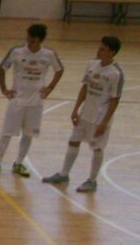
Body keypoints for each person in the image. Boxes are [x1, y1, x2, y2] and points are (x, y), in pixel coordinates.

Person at [45, 36, 125, 193]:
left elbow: (115, 100)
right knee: (73, 141)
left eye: (103, 49)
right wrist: (75, 109)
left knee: (96, 148)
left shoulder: (116, 73)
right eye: (99, 47)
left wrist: (104, 122)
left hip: (99, 117)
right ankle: (64, 174)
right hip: (85, 114)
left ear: (112, 52)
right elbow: (85, 88)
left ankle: (92, 180)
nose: (98, 50)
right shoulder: (92, 64)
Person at [0, 24, 65, 178]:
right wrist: (4, 89)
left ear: (41, 41)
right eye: (28, 40)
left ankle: (18, 163)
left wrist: (49, 88)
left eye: (33, 42)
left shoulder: (48, 54)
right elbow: (2, 68)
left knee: (28, 134)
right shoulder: (17, 52)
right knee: (6, 133)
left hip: (36, 102)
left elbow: (60, 69)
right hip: (16, 100)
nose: (29, 44)